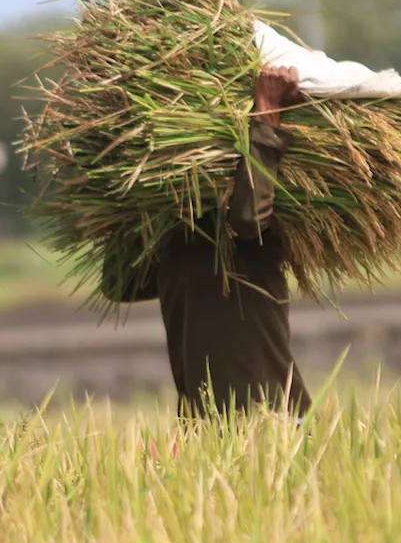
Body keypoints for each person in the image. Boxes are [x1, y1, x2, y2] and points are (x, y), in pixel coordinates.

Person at [100, 66, 311, 420]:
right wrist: (131, 184)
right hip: (207, 430)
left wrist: (266, 116)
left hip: (273, 423)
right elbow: (120, 282)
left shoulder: (255, 229)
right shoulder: (176, 241)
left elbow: (248, 221)